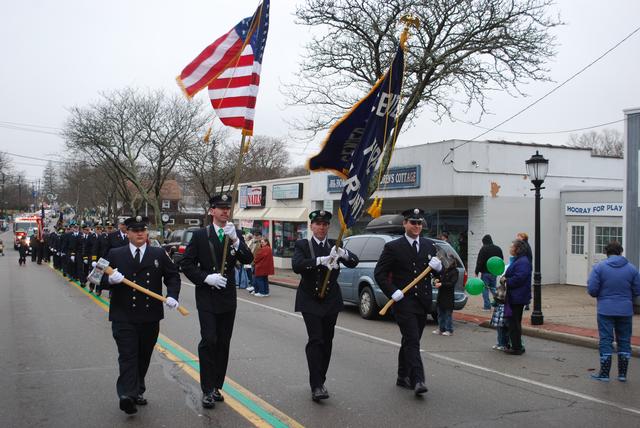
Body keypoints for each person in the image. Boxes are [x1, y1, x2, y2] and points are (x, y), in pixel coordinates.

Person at [99, 215, 181, 415]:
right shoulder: (115, 253)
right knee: (128, 355)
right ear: (127, 233)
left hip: (149, 316)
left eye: (143, 231)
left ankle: (137, 390)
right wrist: (111, 280)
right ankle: (127, 394)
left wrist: (172, 295)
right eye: (135, 231)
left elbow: (172, 276)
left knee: (143, 356)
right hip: (123, 315)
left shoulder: (158, 253)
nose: (140, 234)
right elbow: (96, 279)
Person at [179, 194, 253, 409]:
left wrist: (237, 241)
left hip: (227, 296)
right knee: (209, 340)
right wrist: (205, 278)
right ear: (211, 211)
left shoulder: (234, 233)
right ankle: (207, 388)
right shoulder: (201, 235)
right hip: (208, 296)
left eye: (227, 208)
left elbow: (248, 260)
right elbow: (186, 263)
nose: (224, 211)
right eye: (220, 208)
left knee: (223, 342)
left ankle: (217, 386)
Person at [374, 208, 443, 396]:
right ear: (405, 223)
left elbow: (437, 273)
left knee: (410, 340)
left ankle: (401, 375)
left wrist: (439, 268)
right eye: (413, 222)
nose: (417, 226)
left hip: (422, 302)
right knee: (413, 340)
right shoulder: (393, 247)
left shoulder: (429, 246)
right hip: (403, 302)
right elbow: (379, 274)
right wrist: (392, 291)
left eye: (419, 223)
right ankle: (418, 379)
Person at [292, 210, 359, 402]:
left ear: (328, 227)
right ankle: (316, 385)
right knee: (316, 340)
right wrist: (320, 261)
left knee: (327, 341)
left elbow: (354, 262)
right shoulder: (303, 245)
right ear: (311, 226)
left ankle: (320, 379)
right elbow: (297, 265)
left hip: (330, 300)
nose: (321, 227)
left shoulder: (335, 244)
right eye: (318, 224)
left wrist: (343, 254)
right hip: (310, 299)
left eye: (325, 224)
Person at [587, 241, 640, 382]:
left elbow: (592, 290)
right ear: (621, 252)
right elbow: (637, 290)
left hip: (605, 309)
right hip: (625, 309)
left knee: (606, 339)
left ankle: (604, 374)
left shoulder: (599, 268)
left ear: (606, 252)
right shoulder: (632, 269)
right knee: (624, 340)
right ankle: (622, 374)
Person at [501, 240, 532, 355]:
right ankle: (515, 345)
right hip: (515, 296)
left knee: (514, 323)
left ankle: (517, 347)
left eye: (512, 246)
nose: (510, 248)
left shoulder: (523, 262)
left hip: (517, 297)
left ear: (517, 248)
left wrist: (507, 280)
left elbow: (519, 278)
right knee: (513, 322)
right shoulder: (519, 260)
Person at [475, 234, 504, 311]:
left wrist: (476, 272)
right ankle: (499, 303)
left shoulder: (483, 249)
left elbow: (479, 261)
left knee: (484, 289)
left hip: (485, 272)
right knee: (493, 288)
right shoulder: (498, 249)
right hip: (494, 272)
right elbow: (501, 260)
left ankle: (487, 306)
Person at [432, 254, 458, 336]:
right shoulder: (443, 270)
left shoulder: (455, 271)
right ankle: (441, 328)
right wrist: (436, 280)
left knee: (447, 314)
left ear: (452, 262)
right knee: (440, 313)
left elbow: (452, 283)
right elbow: (438, 278)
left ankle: (449, 330)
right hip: (441, 294)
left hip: (448, 295)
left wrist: (441, 284)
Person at [516, 232, 533, 310]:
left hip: (524, 268)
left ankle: (525, 303)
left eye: (518, 236)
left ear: (522, 237)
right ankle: (527, 303)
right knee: (527, 285)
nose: (517, 237)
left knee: (523, 285)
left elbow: (521, 256)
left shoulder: (523, 245)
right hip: (527, 267)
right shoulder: (527, 245)